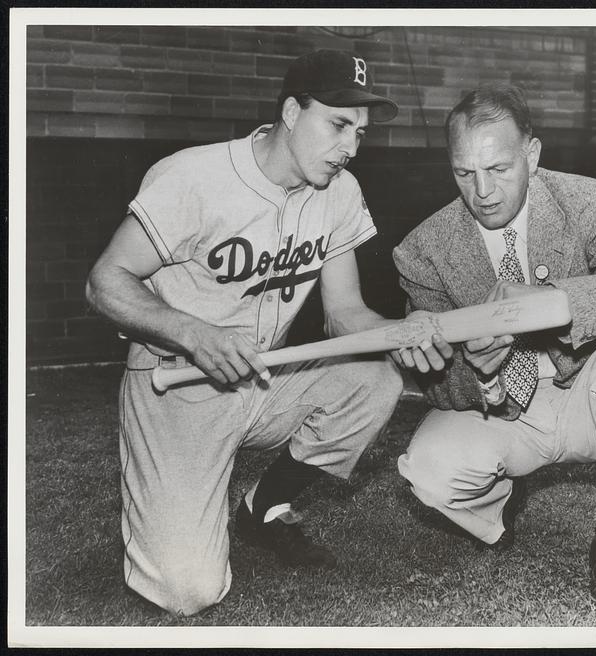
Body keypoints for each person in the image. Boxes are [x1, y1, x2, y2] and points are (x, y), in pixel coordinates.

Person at [85, 49, 438, 617]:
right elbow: (105, 281)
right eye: (339, 124)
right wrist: (194, 333)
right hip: (176, 383)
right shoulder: (194, 176)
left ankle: (263, 506)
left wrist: (406, 330)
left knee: (375, 379)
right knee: (188, 592)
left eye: (361, 133)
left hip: (261, 376)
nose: (350, 146)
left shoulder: (338, 192)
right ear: (292, 112)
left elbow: (345, 315)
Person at [392, 84, 596, 608]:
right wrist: (477, 371)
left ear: (532, 153)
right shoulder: (422, 251)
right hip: (503, 414)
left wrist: (551, 301)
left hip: (589, 400)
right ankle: (498, 507)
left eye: (498, 169)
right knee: (427, 470)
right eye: (464, 173)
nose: (481, 191)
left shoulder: (588, 200)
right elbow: (438, 387)